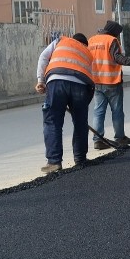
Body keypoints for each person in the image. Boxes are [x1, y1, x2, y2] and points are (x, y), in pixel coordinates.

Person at [35, 33, 96, 173]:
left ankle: (54, 162)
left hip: (56, 81)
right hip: (81, 85)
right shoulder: (87, 53)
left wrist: (40, 81)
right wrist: (82, 106)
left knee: (53, 122)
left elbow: (43, 57)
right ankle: (80, 159)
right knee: (80, 123)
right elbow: (91, 82)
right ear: (84, 44)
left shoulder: (61, 41)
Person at [89, 20, 130, 150]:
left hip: (96, 81)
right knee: (117, 111)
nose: (118, 37)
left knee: (98, 112)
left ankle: (98, 140)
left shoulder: (92, 40)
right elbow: (117, 58)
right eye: (118, 34)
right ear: (114, 33)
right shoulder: (111, 41)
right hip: (112, 82)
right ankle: (120, 137)